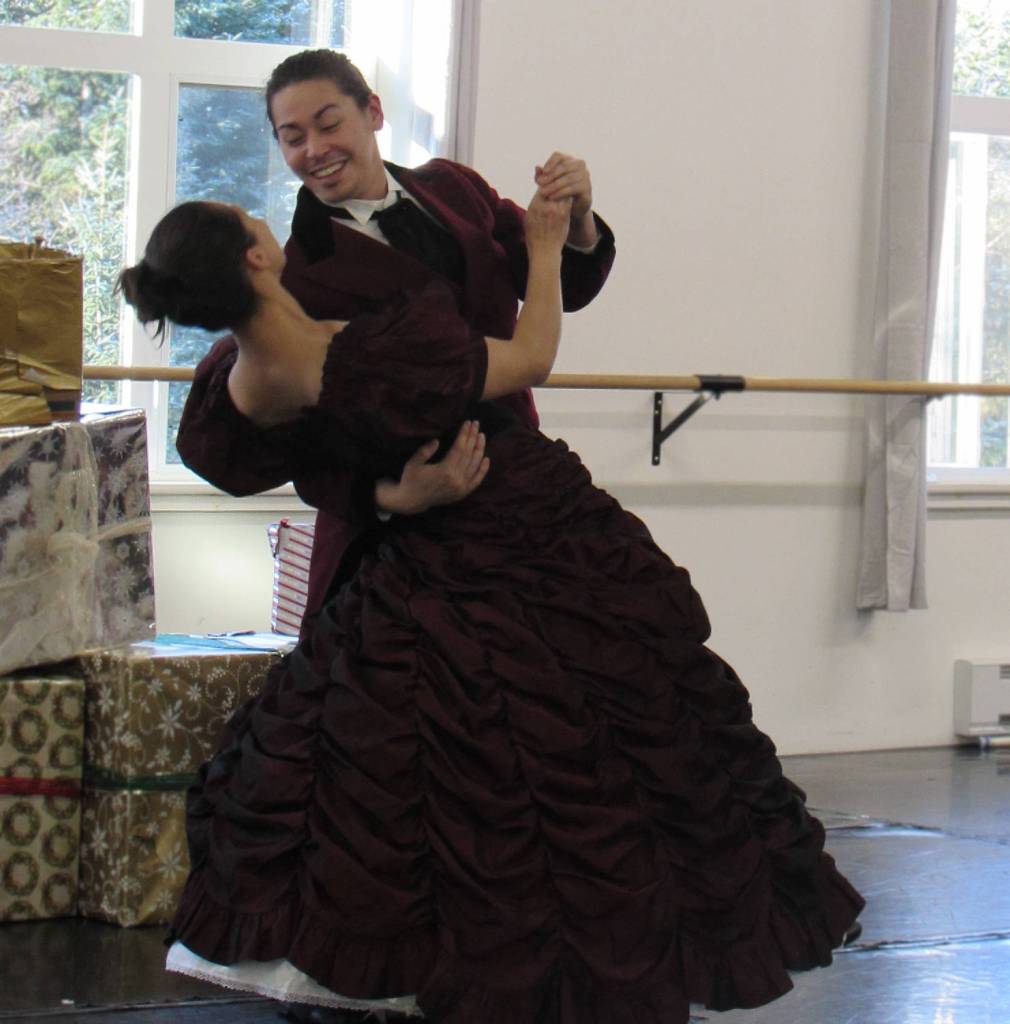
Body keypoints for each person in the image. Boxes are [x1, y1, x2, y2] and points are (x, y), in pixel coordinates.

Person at [118, 196, 863, 1024]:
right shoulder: (377, 353)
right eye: (253, 223)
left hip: (419, 555)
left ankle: (424, 959)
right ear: (255, 260)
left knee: (407, 762)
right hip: (515, 534)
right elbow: (532, 357)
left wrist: (384, 493)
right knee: (568, 752)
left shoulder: (239, 383)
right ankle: (553, 959)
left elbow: (271, 459)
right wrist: (544, 249)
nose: (269, 222)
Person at [194, 48, 617, 639]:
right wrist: (393, 496)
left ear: (373, 112)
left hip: (518, 482)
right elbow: (306, 448)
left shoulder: (453, 185)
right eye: (292, 137)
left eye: (328, 123)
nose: (313, 149)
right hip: (403, 534)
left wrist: (580, 218)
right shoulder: (297, 282)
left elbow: (556, 283)